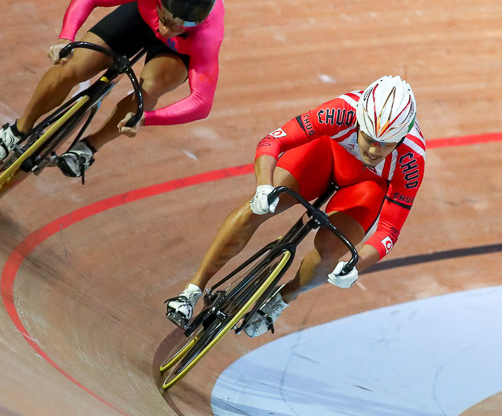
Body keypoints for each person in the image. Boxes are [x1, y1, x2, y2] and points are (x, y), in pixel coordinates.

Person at [167, 75, 426, 337]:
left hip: (366, 187)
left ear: (402, 138)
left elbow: (390, 229)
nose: (373, 150)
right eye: (369, 138)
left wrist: (355, 267)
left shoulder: (411, 159)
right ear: (358, 121)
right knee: (258, 208)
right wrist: (263, 187)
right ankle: (192, 290)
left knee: (330, 255)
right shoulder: (341, 111)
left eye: (386, 145)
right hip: (324, 155)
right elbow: (273, 141)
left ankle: (284, 298)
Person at [0, 0, 224, 178]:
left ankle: (88, 148)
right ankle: (19, 129)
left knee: (151, 88)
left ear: (198, 24)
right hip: (139, 18)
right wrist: (66, 37)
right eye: (164, 18)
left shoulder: (208, 37)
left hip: (178, 50)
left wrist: (147, 118)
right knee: (73, 66)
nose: (165, 29)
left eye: (178, 26)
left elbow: (202, 103)